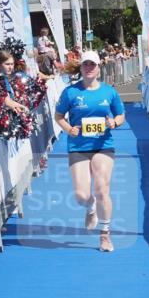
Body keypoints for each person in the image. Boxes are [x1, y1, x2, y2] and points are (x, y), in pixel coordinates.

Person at [54, 50, 126, 253]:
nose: (89, 68)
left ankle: (105, 235)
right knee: (81, 195)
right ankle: (90, 206)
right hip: (78, 147)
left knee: (102, 189)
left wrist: (114, 122)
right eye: (85, 64)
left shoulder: (109, 92)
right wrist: (69, 129)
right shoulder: (70, 92)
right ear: (81, 67)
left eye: (92, 65)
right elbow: (58, 116)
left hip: (103, 145)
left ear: (98, 67)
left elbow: (121, 115)